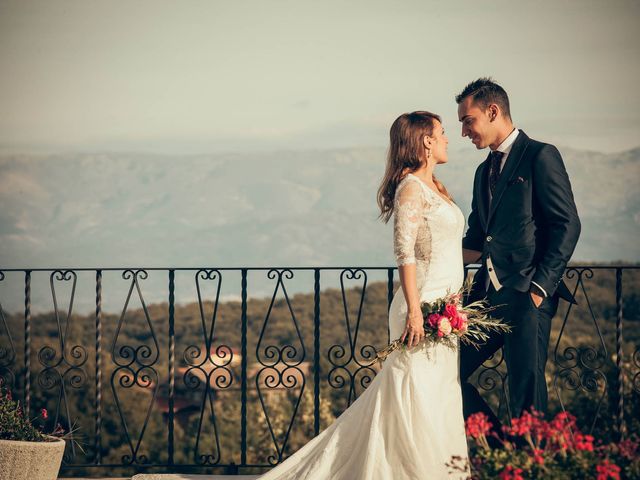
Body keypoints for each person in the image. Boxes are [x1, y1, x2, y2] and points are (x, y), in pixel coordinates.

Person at [257, 111, 469, 479]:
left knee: (438, 392)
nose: (449, 139)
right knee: (413, 393)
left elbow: (449, 247)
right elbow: (405, 254)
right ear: (426, 141)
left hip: (448, 307)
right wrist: (417, 312)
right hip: (423, 306)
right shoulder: (410, 189)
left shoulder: (435, 186)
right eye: (443, 132)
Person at [457, 78, 581, 430]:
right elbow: (478, 239)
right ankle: (499, 449)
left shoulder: (540, 155)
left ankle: (530, 464)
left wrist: (540, 288)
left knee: (526, 391)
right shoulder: (483, 173)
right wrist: (429, 263)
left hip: (529, 295)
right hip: (487, 298)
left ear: (493, 111)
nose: (465, 132)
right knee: (447, 373)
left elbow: (566, 224)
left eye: (469, 120)